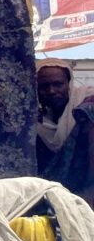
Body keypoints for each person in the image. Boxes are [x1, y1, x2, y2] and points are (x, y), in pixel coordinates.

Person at [36, 59, 94, 205]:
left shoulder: (87, 102)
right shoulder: (35, 119)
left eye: (58, 84)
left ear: (69, 83)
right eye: (44, 86)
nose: (51, 91)